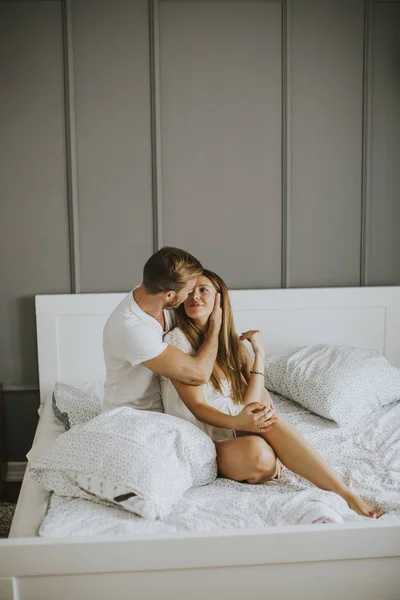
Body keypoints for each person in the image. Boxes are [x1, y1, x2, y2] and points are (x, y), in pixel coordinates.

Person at [160, 269, 384, 519]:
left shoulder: (232, 344)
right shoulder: (176, 342)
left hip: (236, 429)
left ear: (220, 299)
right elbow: (197, 407)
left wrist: (260, 356)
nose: (195, 296)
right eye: (189, 291)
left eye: (204, 290)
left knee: (270, 421)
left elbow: (253, 403)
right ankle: (276, 457)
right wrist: (240, 421)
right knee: (261, 458)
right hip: (201, 440)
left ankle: (347, 495)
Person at [102, 247, 273, 437]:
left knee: (272, 430)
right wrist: (216, 325)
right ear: (170, 295)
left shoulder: (156, 292)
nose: (193, 297)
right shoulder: (132, 328)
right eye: (189, 291)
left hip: (162, 415)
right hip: (132, 418)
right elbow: (198, 374)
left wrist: (246, 355)